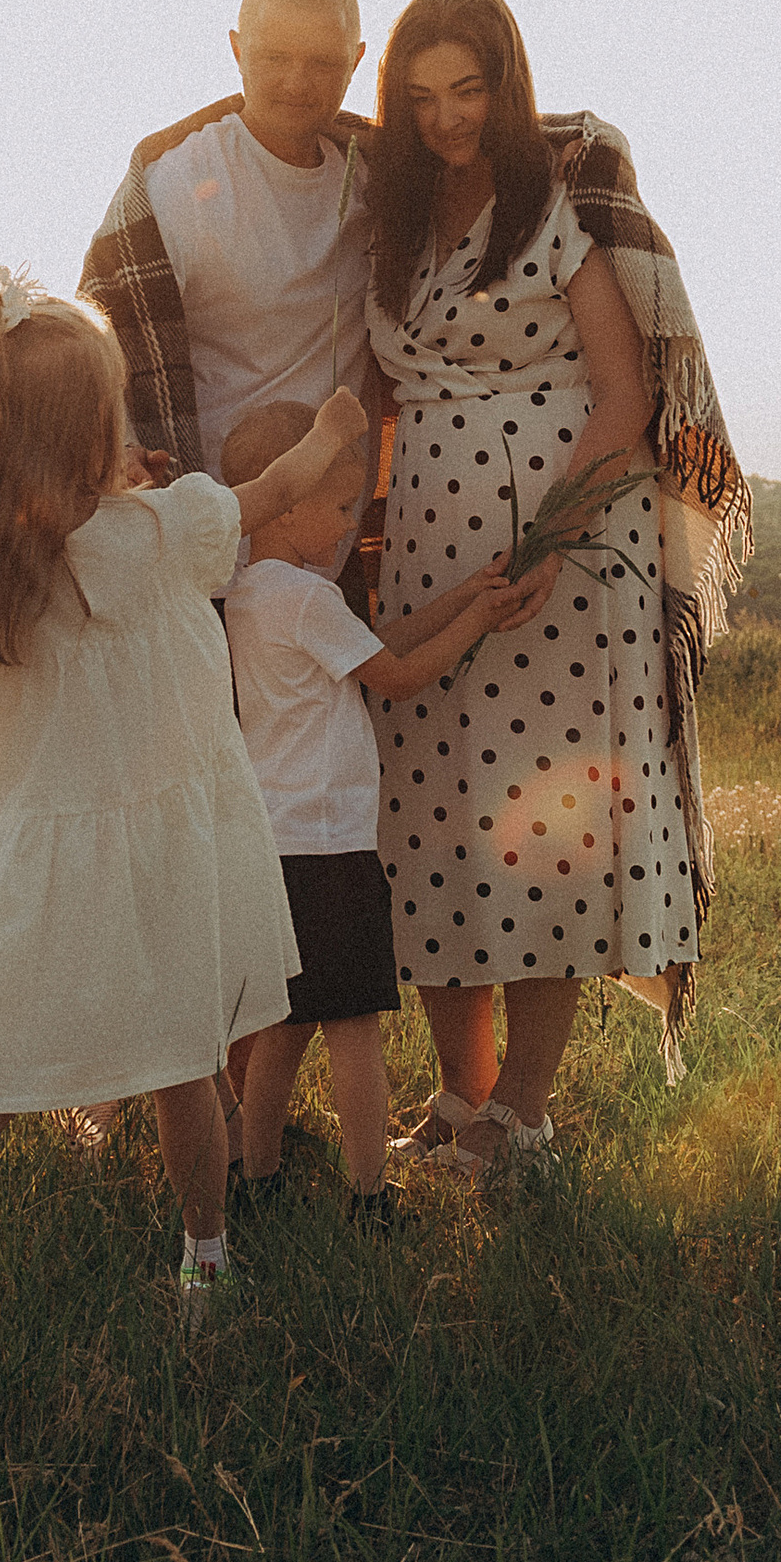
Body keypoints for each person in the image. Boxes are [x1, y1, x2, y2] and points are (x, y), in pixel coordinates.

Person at [0, 264, 369, 1385]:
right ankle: (205, 1260)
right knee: (186, 1069)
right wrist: (330, 433)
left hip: (21, 869)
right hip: (158, 860)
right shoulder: (165, 533)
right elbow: (273, 493)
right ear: (101, 430)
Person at [363, 0, 751, 1169]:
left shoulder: (565, 190)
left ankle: (523, 1114)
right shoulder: (390, 205)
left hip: (566, 559)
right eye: (420, 96)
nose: (446, 119)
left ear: (507, 82)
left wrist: (538, 550)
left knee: (544, 829)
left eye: (467, 89)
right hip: (428, 545)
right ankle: (459, 1100)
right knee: (429, 818)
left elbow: (626, 399)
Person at [218, 397, 555, 1213]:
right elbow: (399, 676)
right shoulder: (304, 598)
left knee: (285, 1028)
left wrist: (464, 598)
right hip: (331, 847)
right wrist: (477, 619)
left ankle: (254, 1174)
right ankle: (369, 1194)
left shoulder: (251, 593)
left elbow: (385, 641)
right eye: (338, 505)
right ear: (287, 497)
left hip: (275, 843)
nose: (344, 525)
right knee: (355, 1028)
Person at [80, 0, 378, 586]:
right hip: (213, 537)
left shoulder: (381, 177)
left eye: (323, 62)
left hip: (330, 541)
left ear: (355, 62)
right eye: (274, 57)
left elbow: (495, 140)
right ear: (238, 51)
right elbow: (100, 344)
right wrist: (118, 453)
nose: (298, 81)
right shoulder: (178, 181)